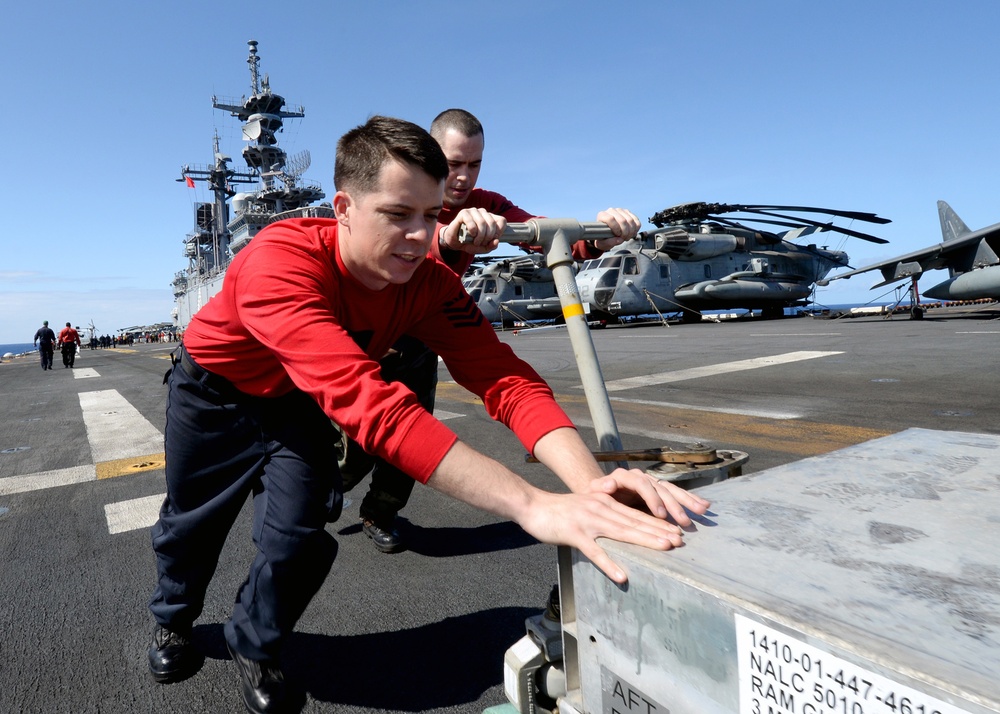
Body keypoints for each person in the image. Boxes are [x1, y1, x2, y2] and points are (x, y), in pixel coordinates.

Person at [146, 115, 709, 714]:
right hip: (214, 395)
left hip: (293, 403)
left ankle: (254, 643)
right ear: (342, 207)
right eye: (398, 214)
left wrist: (594, 487)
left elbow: (504, 378)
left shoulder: (428, 282)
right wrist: (534, 506)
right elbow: (373, 408)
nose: (420, 236)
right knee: (193, 523)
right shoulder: (278, 263)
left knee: (297, 537)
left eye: (430, 216)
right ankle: (174, 621)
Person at [336, 108, 638, 553]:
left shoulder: (487, 205)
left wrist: (598, 237)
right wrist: (442, 235)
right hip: (371, 338)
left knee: (415, 425)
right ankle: (324, 489)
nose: (462, 177)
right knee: (356, 441)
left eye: (473, 164)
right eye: (453, 163)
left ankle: (380, 512)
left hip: (427, 329)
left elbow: (540, 232)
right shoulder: (403, 199)